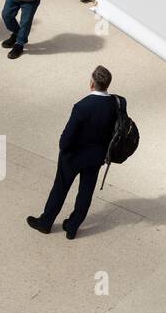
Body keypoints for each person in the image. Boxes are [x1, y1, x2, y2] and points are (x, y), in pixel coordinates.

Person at [25, 65, 120, 239]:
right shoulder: (116, 103)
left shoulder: (82, 106)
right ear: (107, 84)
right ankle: (72, 227)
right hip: (96, 156)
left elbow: (67, 138)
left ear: (92, 83)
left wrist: (64, 149)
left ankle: (46, 223)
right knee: (86, 191)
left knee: (60, 189)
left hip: (73, 156)